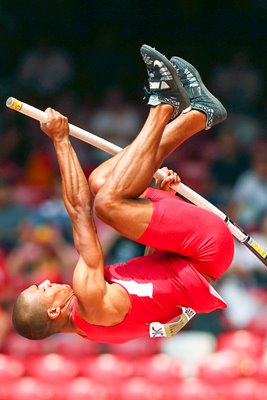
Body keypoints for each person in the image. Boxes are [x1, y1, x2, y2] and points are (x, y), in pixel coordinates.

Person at [12, 45, 234, 344]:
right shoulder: (89, 298)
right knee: (105, 205)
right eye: (41, 289)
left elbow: (156, 283)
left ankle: (198, 115)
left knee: (102, 180)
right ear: (53, 311)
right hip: (206, 249)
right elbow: (80, 211)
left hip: (185, 251)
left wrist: (160, 205)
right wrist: (61, 140)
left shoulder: (97, 329)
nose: (47, 281)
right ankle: (164, 105)